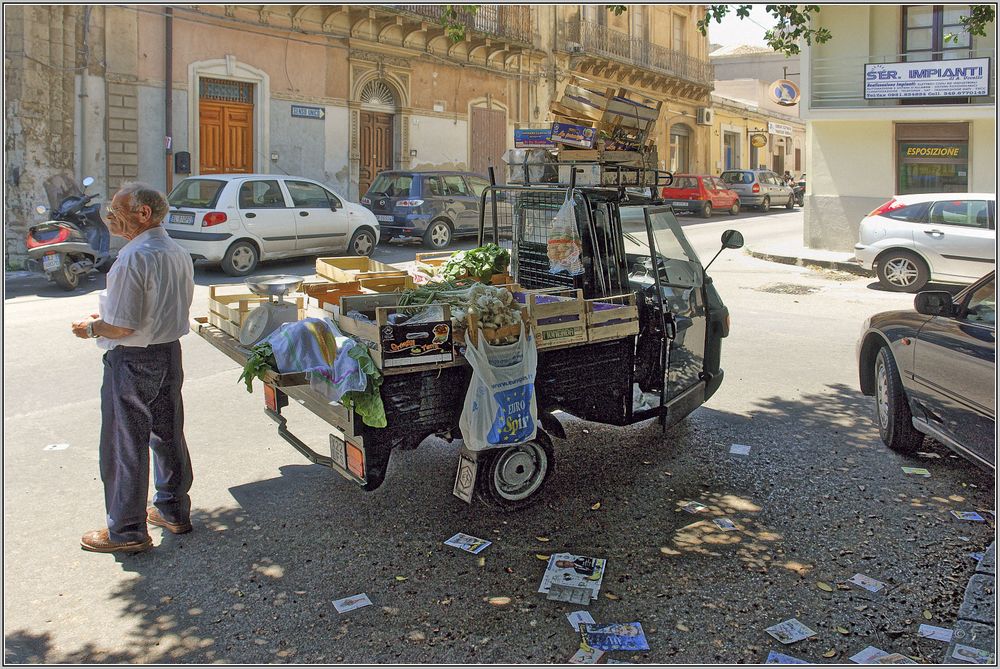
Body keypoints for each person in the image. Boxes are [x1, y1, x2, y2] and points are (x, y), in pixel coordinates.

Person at [71, 182, 195, 553]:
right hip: (168, 353)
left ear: (143, 214)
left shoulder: (134, 256)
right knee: (168, 434)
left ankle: (126, 531)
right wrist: (110, 317)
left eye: (117, 211)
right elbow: (154, 310)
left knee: (125, 444)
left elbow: (123, 326)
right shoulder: (176, 251)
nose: (111, 218)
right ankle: (173, 511)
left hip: (134, 359)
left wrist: (91, 327)